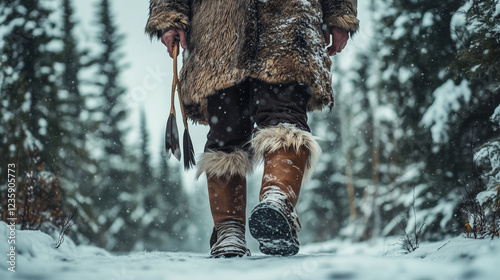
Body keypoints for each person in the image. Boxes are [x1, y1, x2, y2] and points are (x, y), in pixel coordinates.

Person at [145, 0, 359, 257]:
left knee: (282, 118)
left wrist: (339, 14)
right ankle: (230, 228)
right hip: (218, 25)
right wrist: (170, 17)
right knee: (228, 130)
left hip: (289, 20)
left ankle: (276, 202)